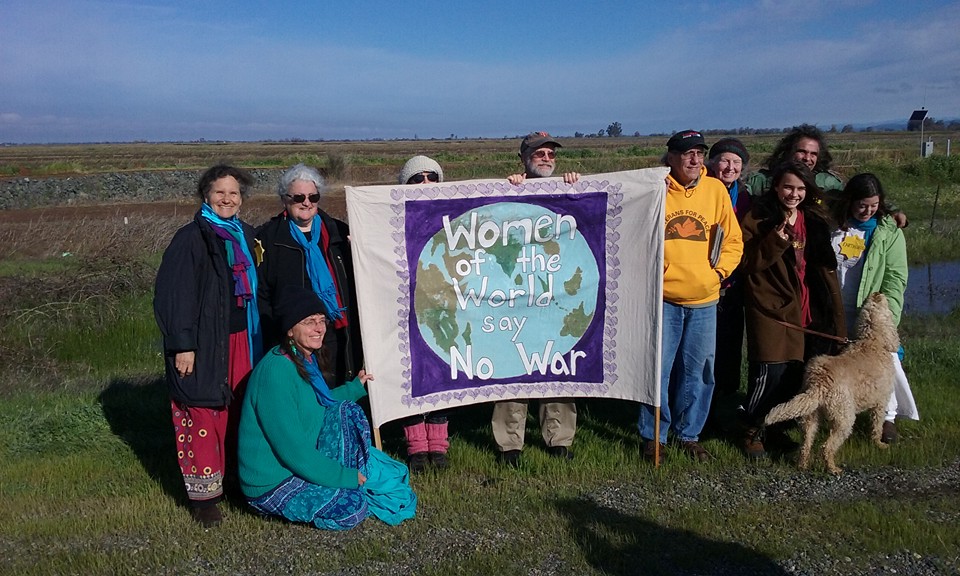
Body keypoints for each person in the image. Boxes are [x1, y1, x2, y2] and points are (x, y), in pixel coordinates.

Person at [238, 285, 417, 530]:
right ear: (290, 330)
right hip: (272, 482)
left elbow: (315, 403)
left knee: (348, 412)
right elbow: (293, 450)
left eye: (321, 320)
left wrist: (355, 388)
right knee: (351, 509)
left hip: (296, 463)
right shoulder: (276, 373)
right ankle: (329, 485)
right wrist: (344, 477)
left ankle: (343, 478)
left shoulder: (302, 358)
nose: (319, 328)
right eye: (309, 322)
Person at [154, 164, 262, 527]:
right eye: (220, 192)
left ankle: (233, 481)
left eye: (234, 193)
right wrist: (183, 345)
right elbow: (175, 295)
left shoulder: (246, 235)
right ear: (206, 195)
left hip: (242, 338)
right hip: (203, 343)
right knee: (202, 410)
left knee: (238, 409)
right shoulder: (191, 238)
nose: (227, 199)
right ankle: (204, 498)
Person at [638, 130, 743, 464]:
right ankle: (654, 436)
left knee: (699, 372)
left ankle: (689, 435)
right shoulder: (655, 188)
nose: (695, 160)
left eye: (699, 153)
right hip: (663, 299)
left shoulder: (715, 190)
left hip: (704, 300)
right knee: (657, 370)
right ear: (671, 157)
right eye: (687, 154)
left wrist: (719, 273)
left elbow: (733, 240)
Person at [739, 161, 846, 459]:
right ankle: (751, 428)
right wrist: (775, 240)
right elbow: (746, 263)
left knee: (793, 372)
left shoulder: (813, 220)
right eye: (788, 187)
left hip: (806, 304)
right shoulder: (759, 217)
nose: (793, 194)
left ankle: (776, 429)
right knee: (769, 371)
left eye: (800, 188)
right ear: (775, 186)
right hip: (771, 306)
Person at [493, 131, 580, 467]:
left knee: (557, 365)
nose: (546, 158)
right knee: (513, 364)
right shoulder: (510, 190)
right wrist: (510, 187)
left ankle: (560, 438)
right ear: (523, 159)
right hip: (516, 297)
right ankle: (509, 443)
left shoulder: (568, 190)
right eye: (539, 153)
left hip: (555, 297)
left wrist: (576, 186)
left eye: (550, 154)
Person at [255, 163, 363, 387]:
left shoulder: (339, 232)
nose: (306, 202)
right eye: (298, 197)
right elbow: (263, 294)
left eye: (313, 197)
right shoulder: (268, 238)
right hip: (295, 337)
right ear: (284, 199)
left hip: (336, 329)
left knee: (339, 387)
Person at [830, 173, 917, 443]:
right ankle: (839, 412)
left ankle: (888, 417)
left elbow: (895, 277)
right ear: (850, 201)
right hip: (836, 307)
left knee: (886, 363)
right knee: (840, 363)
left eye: (874, 205)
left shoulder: (889, 231)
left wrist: (885, 317)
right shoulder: (833, 224)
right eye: (862, 205)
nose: (868, 211)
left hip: (871, 312)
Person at [396, 155, 451, 472]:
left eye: (432, 177)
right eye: (417, 178)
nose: (425, 183)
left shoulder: (452, 215)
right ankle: (416, 446)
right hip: (404, 307)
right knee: (411, 373)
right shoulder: (390, 216)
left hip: (445, 307)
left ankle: (439, 445)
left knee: (441, 370)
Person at [746, 124, 908, 228]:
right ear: (788, 151)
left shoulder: (828, 183)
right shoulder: (761, 180)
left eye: (813, 154)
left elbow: (859, 196)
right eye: (801, 151)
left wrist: (892, 211)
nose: (807, 158)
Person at [705, 138, 753, 405]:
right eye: (724, 160)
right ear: (713, 163)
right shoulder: (701, 190)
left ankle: (723, 400)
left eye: (736, 162)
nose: (730, 167)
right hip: (704, 281)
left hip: (734, 283)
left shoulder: (745, 198)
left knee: (729, 344)